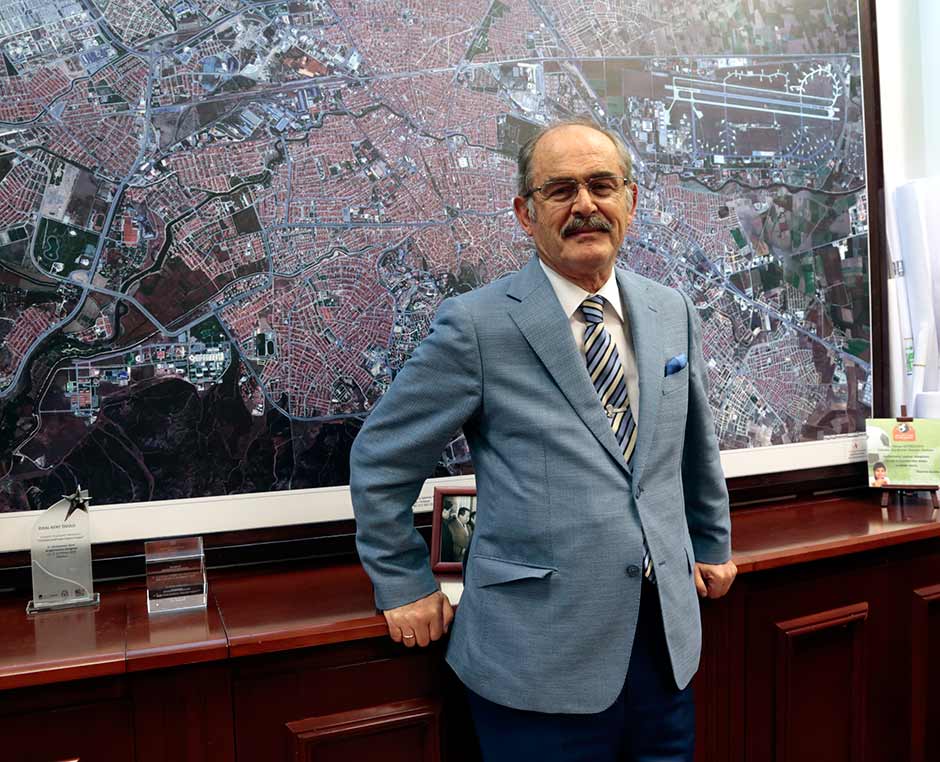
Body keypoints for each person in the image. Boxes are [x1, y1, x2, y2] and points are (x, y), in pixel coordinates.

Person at [350, 118, 736, 762]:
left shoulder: (671, 310)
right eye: (560, 190)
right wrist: (402, 582)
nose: (585, 205)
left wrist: (712, 542)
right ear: (525, 214)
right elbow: (381, 458)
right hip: (535, 661)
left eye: (602, 185)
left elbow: (695, 446)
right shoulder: (476, 326)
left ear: (630, 201)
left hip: (665, 646)